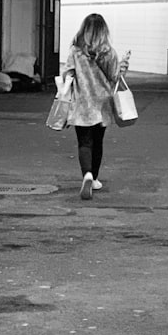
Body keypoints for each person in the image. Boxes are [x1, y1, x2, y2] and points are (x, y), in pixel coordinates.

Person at [61, 14, 130, 200]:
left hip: (82, 104)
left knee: (84, 142)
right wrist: (123, 68)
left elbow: (67, 73)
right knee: (97, 142)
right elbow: (115, 78)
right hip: (103, 104)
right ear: (103, 31)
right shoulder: (109, 52)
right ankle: (96, 177)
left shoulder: (76, 52)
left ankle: (87, 174)